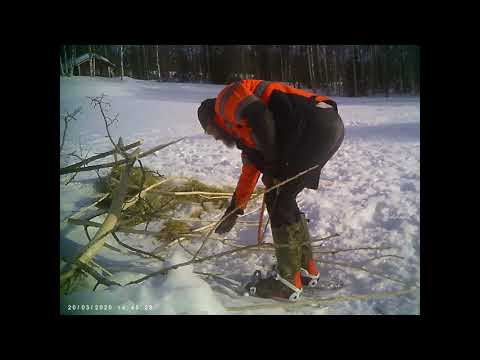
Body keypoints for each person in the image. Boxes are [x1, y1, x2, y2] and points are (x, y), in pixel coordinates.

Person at [197, 80, 344, 301]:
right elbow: (249, 173)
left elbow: (260, 117)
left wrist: (274, 166)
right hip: (325, 127)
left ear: (213, 119)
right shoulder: (246, 136)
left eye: (209, 131)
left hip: (313, 125)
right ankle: (305, 270)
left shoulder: (225, 100)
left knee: (277, 199)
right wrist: (235, 209)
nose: (214, 137)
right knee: (282, 198)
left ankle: (288, 283)